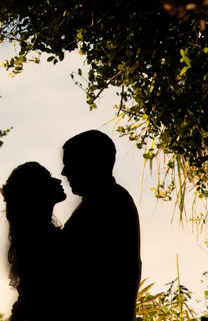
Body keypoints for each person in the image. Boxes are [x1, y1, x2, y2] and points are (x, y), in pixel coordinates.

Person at [61, 130, 142, 321]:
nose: (64, 172)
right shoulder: (108, 199)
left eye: (70, 164)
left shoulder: (105, 202)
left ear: (89, 163)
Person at [1, 161, 69, 321]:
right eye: (48, 178)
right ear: (36, 192)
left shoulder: (33, 235)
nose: (58, 180)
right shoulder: (40, 239)